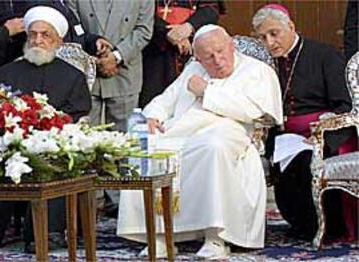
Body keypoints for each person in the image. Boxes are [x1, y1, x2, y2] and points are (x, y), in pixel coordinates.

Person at [117, 24, 283, 259]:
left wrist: (207, 91)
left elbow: (255, 112)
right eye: (208, 57)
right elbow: (167, 99)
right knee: (144, 145)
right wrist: (152, 116)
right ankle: (161, 235)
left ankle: (216, 237)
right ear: (198, 58)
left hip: (229, 131)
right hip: (181, 133)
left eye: (220, 51)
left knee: (212, 147)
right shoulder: (193, 69)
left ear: (231, 45)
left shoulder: (257, 71)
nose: (217, 60)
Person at [0, 6, 90, 252]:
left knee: (58, 157)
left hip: (51, 146)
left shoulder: (73, 76)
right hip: (8, 147)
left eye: (45, 35)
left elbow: (77, 113)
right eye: (33, 34)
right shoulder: (7, 72)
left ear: (59, 41)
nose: (38, 40)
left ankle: (47, 233)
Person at [252, 4, 356, 241]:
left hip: (325, 134)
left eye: (274, 34)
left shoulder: (324, 55)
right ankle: (301, 225)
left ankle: (328, 228)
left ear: (291, 26)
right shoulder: (265, 64)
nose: (269, 43)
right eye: (262, 37)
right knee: (282, 162)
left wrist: (320, 136)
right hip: (283, 136)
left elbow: (345, 105)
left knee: (306, 161)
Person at [68, 0, 154, 214]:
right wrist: (94, 55)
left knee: (123, 141)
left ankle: (123, 204)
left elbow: (144, 30)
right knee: (89, 140)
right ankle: (92, 201)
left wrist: (115, 57)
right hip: (87, 71)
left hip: (124, 72)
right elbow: (72, 25)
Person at [138, 0, 226, 108]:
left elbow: (211, 9)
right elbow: (139, 12)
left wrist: (189, 27)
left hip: (193, 49)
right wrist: (167, 32)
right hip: (156, 53)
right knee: (154, 104)